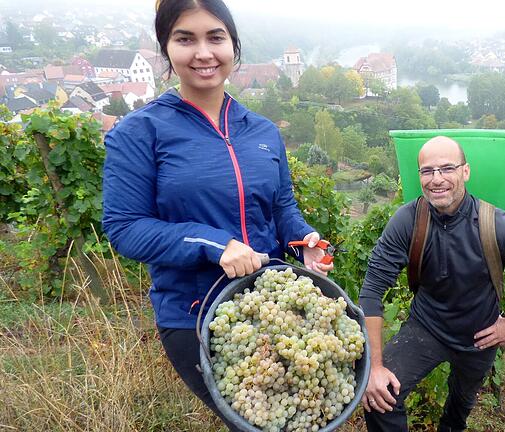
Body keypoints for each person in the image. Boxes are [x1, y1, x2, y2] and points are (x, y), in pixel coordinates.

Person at [101, 0, 332, 429]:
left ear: (234, 46)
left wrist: (305, 241)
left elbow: (281, 207)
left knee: (304, 416)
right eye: (185, 39)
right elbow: (124, 227)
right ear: (166, 49)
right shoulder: (139, 133)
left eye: (215, 37)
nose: (203, 53)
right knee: (260, 424)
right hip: (194, 313)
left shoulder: (262, 131)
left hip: (270, 303)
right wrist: (215, 244)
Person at [359, 136, 505, 432]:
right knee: (381, 395)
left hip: (480, 337)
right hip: (426, 328)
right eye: (428, 171)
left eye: (447, 169)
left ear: (465, 172)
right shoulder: (407, 221)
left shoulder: (499, 226)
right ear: (420, 176)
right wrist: (375, 368)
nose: (437, 179)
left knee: (460, 405)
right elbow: (372, 290)